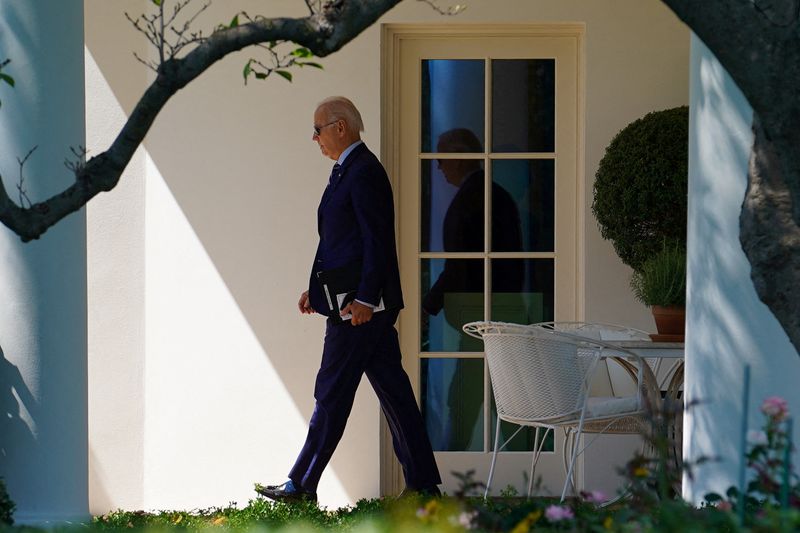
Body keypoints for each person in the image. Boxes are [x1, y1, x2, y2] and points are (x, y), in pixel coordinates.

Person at [256, 97, 441, 503]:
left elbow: (378, 242)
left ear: (340, 127)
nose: (314, 137)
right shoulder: (347, 171)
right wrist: (315, 289)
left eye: (318, 128)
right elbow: (340, 242)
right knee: (395, 393)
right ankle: (424, 486)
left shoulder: (364, 172)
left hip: (357, 310)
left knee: (332, 391)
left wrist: (364, 299)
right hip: (351, 302)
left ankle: (302, 483)